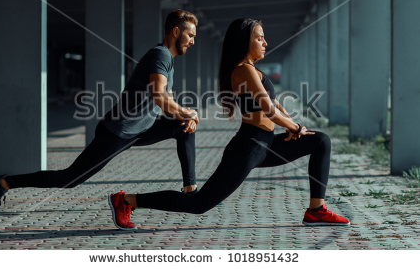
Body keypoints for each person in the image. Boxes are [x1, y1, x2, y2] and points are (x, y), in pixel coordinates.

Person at [107, 18, 350, 230]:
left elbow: (276, 105)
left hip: (266, 144)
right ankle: (127, 200)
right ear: (245, 41)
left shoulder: (255, 71)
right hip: (249, 147)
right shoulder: (243, 70)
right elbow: (268, 108)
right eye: (260, 38)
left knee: (320, 141)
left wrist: (294, 126)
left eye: (264, 38)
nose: (265, 43)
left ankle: (316, 210)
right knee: (198, 204)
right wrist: (295, 127)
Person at [0, 9, 201, 216]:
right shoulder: (160, 55)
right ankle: (2, 182)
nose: (192, 41)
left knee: (183, 128)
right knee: (69, 179)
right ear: (175, 32)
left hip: (141, 129)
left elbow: (168, 98)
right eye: (190, 35)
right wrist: (187, 113)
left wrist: (185, 116)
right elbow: (159, 97)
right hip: (118, 132)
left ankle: (191, 192)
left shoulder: (168, 60)